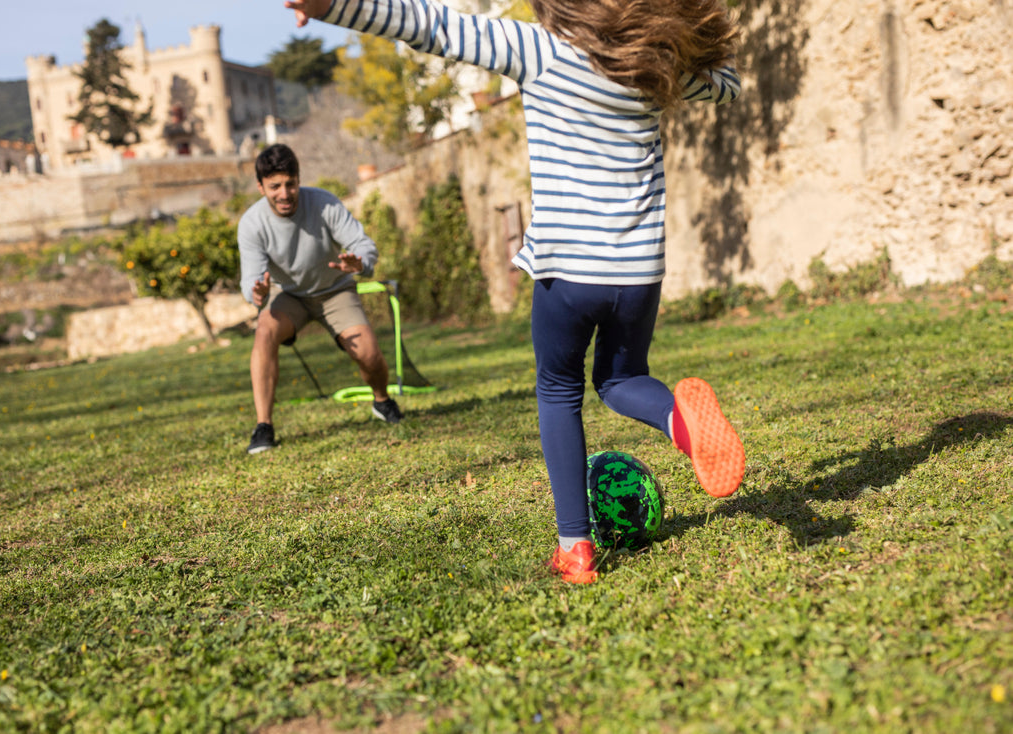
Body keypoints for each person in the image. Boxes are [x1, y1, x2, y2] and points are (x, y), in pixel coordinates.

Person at [284, 0, 745, 582]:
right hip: (638, 272)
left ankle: (575, 548)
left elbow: (431, 26)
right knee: (620, 378)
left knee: (558, 390)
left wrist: (331, 6)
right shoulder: (654, 65)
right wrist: (683, 36)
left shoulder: (538, 49)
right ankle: (681, 424)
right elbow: (726, 85)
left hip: (568, 271)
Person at [238, 143, 403, 455]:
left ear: (299, 180)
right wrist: (256, 292)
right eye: (275, 186)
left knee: (369, 354)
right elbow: (250, 278)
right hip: (288, 295)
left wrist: (359, 263)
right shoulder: (251, 223)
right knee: (264, 332)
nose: (285, 194)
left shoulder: (324, 203)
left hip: (334, 290)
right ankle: (263, 427)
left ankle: (382, 401)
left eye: (290, 184)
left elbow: (363, 244)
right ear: (261, 187)